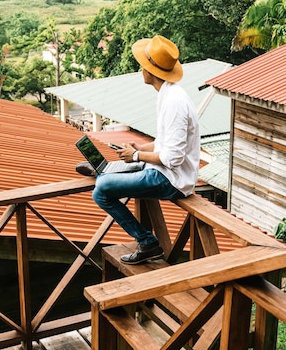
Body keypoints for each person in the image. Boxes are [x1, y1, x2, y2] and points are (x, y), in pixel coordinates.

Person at [81, 35, 200, 265]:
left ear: (150, 71)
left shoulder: (174, 103)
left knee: (102, 189)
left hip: (171, 180)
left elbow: (172, 158)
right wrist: (140, 148)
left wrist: (135, 155)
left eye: (142, 66)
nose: (140, 70)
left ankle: (147, 242)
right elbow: (166, 142)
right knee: (118, 171)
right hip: (161, 170)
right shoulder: (168, 93)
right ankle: (104, 169)